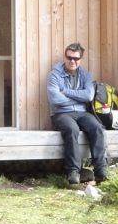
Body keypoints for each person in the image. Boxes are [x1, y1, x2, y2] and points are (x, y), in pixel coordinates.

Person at [46, 42, 108, 187]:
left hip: (82, 113)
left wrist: (66, 92)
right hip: (61, 114)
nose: (72, 61)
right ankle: (73, 172)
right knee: (71, 129)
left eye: (76, 58)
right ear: (65, 57)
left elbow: (88, 96)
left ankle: (101, 170)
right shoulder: (54, 75)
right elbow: (55, 99)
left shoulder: (86, 75)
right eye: (69, 57)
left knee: (97, 128)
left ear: (80, 59)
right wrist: (77, 99)